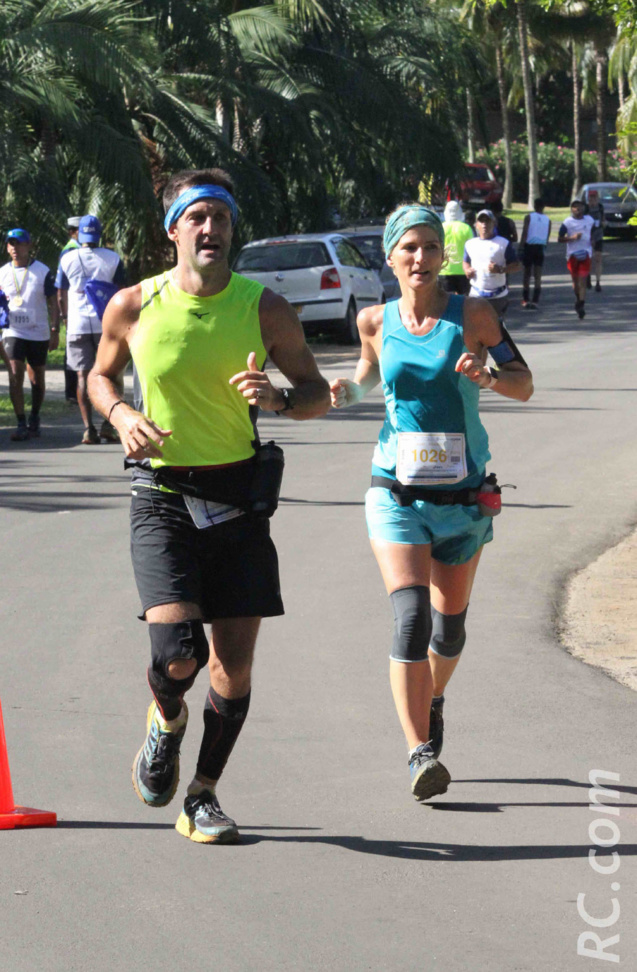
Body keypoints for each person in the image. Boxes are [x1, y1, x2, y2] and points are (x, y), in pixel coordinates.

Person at [88, 167, 330, 843]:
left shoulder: (264, 308)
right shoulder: (134, 305)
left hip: (238, 499)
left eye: (220, 219)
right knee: (177, 655)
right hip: (161, 492)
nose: (210, 229)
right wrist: (120, 412)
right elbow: (99, 374)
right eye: (197, 217)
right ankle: (164, 722)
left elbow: (315, 393)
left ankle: (202, 796)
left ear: (231, 230)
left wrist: (279, 399)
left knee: (234, 665)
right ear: (173, 230)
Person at [330, 204, 533, 802]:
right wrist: (347, 388)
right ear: (391, 258)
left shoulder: (472, 313)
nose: (420, 259)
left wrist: (490, 376)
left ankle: (434, 696)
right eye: (408, 249)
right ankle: (420, 752)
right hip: (395, 493)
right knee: (412, 616)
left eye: (429, 248)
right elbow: (371, 375)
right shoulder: (374, 320)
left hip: (465, 498)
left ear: (445, 256)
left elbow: (525, 383)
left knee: (449, 631)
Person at [56, 215, 126, 443]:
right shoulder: (112, 258)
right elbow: (121, 291)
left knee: (82, 376)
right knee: (112, 373)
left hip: (77, 324)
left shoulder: (67, 258)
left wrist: (64, 318)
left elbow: (60, 293)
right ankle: (108, 424)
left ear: (79, 234)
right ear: (99, 234)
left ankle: (88, 429)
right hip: (106, 323)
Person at [0, 228, 59, 441]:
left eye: (19, 243)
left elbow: (53, 301)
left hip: (38, 332)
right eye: (11, 244)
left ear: (29, 245)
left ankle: (34, 416)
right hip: (13, 331)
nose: (15, 248)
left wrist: (55, 329)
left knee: (37, 378)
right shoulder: (3, 272)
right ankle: (20, 422)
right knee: (15, 375)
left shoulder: (42, 271)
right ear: (7, 247)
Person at [462, 209, 521, 321]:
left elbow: (517, 265)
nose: (484, 224)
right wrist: (467, 270)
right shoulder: (470, 244)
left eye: (488, 221)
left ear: (494, 223)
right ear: (476, 225)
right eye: (481, 221)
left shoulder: (503, 243)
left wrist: (501, 269)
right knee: (476, 326)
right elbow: (465, 261)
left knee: (495, 328)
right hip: (476, 294)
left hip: (497, 296)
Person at [558, 200, 595, 320]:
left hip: (585, 253)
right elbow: (559, 238)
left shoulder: (589, 220)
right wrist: (572, 238)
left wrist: (593, 241)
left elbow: (594, 232)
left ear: (583, 208)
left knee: (582, 281)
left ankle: (581, 305)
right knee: (575, 281)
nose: (577, 209)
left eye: (579, 207)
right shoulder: (567, 222)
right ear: (571, 209)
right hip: (572, 254)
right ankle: (578, 298)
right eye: (575, 207)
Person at [60, 216, 81, 403]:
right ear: (72, 232)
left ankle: (73, 392)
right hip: (74, 309)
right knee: (73, 354)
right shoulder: (71, 251)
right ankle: (72, 393)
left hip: (75, 311)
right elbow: (63, 287)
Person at [519, 198, 551, 309]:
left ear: (534, 205)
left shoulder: (529, 217)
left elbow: (525, 232)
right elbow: (547, 237)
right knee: (538, 275)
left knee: (527, 274)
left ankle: (525, 299)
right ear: (544, 207)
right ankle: (535, 300)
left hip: (529, 247)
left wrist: (521, 247)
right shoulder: (548, 220)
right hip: (540, 247)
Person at [439, 201, 474, 296]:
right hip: (463, 270)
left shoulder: (441, 228)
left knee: (445, 301)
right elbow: (472, 249)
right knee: (463, 301)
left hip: (444, 269)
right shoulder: (466, 228)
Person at [585, 189, 605, 292]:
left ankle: (598, 282)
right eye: (591, 197)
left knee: (598, 258)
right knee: (588, 258)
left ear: (597, 198)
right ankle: (588, 276)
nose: (592, 200)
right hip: (588, 236)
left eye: (594, 197)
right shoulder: (586, 209)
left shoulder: (600, 207)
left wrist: (603, 224)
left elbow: (603, 220)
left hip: (599, 235)